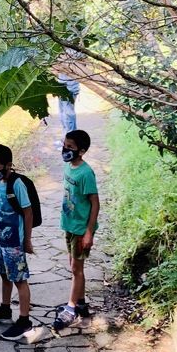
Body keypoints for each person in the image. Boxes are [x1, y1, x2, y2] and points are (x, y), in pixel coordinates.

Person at [0, 144, 34, 339]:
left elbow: (28, 212)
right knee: (4, 275)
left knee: (19, 279)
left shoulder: (17, 184)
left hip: (14, 242)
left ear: (8, 165)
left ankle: (24, 321)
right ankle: (5, 309)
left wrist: (27, 240)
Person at [53, 128, 100, 331]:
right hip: (70, 225)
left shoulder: (86, 173)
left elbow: (95, 203)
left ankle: (70, 309)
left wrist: (89, 232)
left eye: (70, 147)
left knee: (75, 269)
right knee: (74, 265)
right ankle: (80, 303)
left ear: (81, 151)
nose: (65, 149)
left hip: (81, 228)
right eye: (65, 144)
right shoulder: (69, 168)